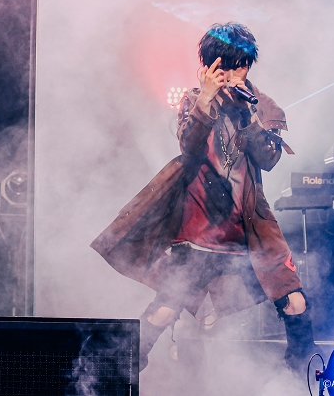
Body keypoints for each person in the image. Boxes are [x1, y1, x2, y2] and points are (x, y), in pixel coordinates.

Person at [91, 23, 318, 375]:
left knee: (295, 301)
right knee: (165, 308)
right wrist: (205, 101)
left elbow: (269, 159)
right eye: (223, 66)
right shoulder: (195, 101)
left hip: (251, 230)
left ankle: (305, 376)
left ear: (247, 66)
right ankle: (118, 373)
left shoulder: (265, 108)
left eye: (239, 65)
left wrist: (249, 116)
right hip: (200, 230)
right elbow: (190, 147)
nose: (232, 74)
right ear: (210, 67)